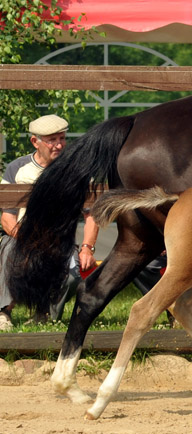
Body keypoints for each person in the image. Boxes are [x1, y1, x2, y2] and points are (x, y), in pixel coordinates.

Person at [0, 115, 99, 330]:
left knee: (75, 269)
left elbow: (92, 215)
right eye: (51, 140)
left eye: (62, 138)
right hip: (21, 236)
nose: (59, 145)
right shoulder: (17, 168)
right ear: (35, 142)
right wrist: (32, 241)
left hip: (61, 241)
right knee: (7, 250)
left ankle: (45, 313)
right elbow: (7, 220)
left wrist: (87, 248)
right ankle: (4, 311)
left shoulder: (78, 171)